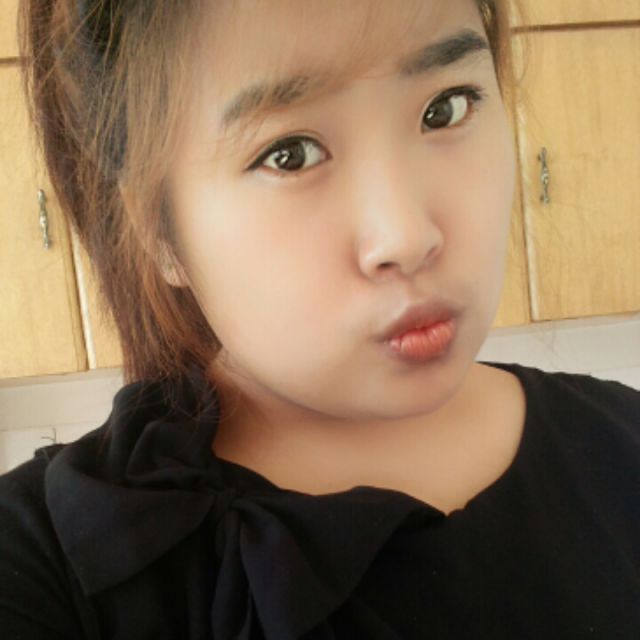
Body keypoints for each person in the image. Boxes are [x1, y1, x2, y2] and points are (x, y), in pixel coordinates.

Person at [1, 0, 639, 638]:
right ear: (158, 231)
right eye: (290, 154)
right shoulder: (45, 564)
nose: (407, 237)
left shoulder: (623, 441)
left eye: (445, 108)